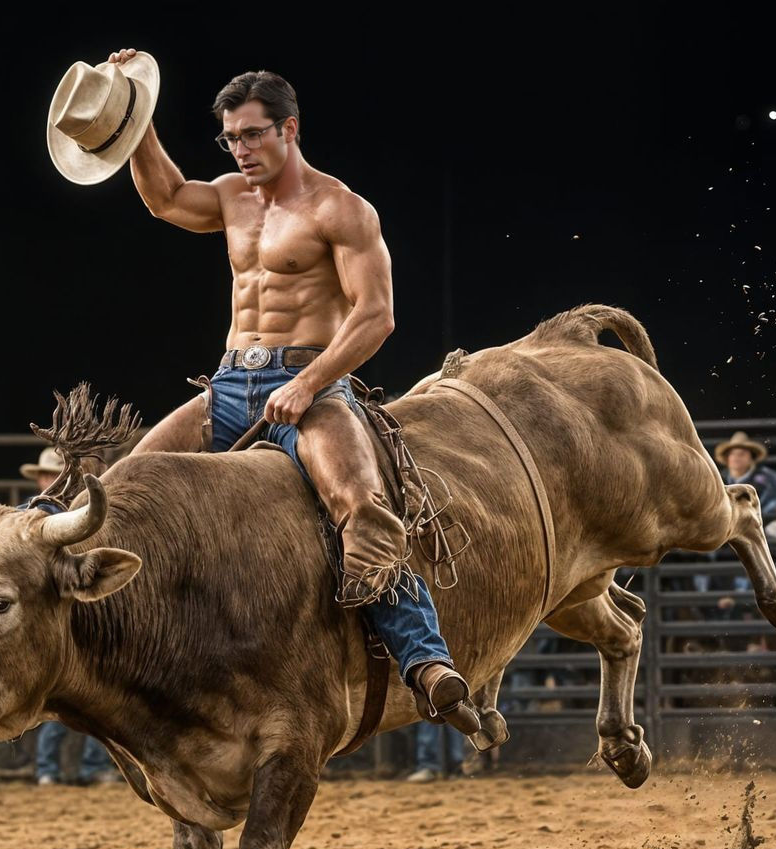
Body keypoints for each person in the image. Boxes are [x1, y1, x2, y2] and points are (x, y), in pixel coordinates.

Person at [46, 50, 479, 736]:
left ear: (290, 129)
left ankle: (427, 665)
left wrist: (309, 384)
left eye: (251, 134)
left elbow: (376, 314)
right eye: (230, 137)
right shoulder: (230, 196)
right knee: (125, 490)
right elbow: (164, 198)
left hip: (314, 384)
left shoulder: (340, 208)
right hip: (228, 384)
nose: (240, 149)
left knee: (362, 510)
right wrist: (136, 117)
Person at [20, 447, 122, 785]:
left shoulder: (76, 514)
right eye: (48, 474)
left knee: (99, 701)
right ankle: (48, 770)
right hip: (50, 625)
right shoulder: (27, 519)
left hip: (91, 620)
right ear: (39, 479)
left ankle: (92, 767)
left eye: (58, 473)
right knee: (53, 702)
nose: (52, 480)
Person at [714, 431, 776, 517]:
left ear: (751, 458)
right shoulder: (718, 479)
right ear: (727, 458)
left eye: (742, 454)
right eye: (732, 454)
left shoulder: (767, 478)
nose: (736, 457)